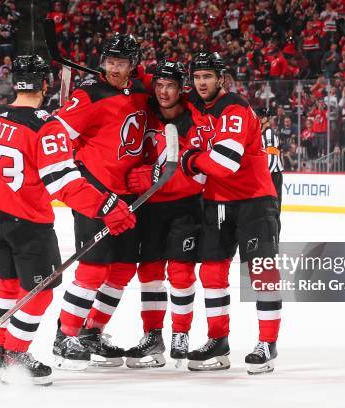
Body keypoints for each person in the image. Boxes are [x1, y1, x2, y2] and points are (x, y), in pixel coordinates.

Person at [0, 55, 135, 385]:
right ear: (43, 84)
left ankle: (1, 350)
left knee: (7, 284)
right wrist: (107, 205)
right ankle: (15, 355)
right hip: (29, 223)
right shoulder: (45, 125)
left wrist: (0, 187)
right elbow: (64, 184)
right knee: (39, 291)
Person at [52, 33, 149, 369]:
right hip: (94, 194)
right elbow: (55, 134)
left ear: (133, 65)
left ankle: (92, 331)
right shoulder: (88, 94)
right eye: (109, 61)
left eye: (121, 62)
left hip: (128, 197)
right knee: (93, 269)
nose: (114, 67)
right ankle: (65, 336)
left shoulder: (141, 91)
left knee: (122, 270)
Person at [182, 52, 282, 374]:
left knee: (262, 274)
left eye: (207, 77)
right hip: (217, 202)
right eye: (197, 77)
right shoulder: (198, 107)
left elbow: (225, 164)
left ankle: (267, 342)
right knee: (211, 273)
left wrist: (191, 160)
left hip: (254, 200)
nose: (202, 83)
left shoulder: (234, 107)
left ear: (221, 78)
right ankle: (218, 341)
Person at [121, 60, 204, 368]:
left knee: (181, 273)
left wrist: (152, 176)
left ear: (181, 88)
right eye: (159, 86)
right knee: (150, 273)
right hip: (151, 207)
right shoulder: (145, 115)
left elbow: (199, 171)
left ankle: (180, 334)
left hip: (186, 207)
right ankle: (152, 336)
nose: (163, 91)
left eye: (170, 85)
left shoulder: (195, 117)